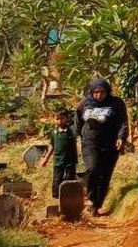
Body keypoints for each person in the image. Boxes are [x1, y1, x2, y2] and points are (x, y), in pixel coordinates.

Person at [75, 78, 129, 217]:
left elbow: (123, 121)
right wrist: (78, 135)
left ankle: (96, 205)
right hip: (90, 142)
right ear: (91, 92)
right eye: (96, 92)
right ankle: (91, 198)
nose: (98, 95)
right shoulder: (85, 103)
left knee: (105, 176)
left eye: (102, 92)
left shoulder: (116, 103)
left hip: (110, 143)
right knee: (93, 169)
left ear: (107, 92)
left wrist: (121, 137)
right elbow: (78, 120)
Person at [40, 108, 77, 198]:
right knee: (57, 180)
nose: (59, 121)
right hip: (58, 160)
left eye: (62, 118)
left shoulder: (71, 131)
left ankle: (69, 198)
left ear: (66, 119)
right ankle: (56, 198)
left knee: (69, 179)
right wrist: (46, 159)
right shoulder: (54, 132)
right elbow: (52, 146)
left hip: (70, 160)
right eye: (57, 119)